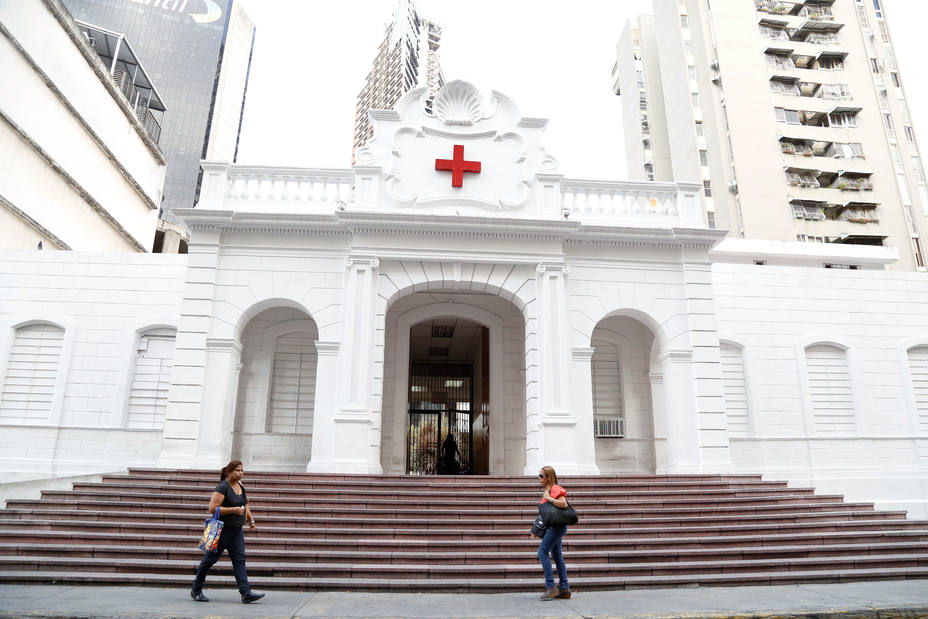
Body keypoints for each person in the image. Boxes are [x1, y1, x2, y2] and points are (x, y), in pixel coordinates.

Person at [190, 460, 265, 604]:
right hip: (222, 530)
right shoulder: (222, 487)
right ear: (229, 472)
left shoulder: (240, 485)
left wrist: (251, 519)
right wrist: (233, 510)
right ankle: (196, 588)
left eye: (242, 471)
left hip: (236, 530)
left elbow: (245, 503)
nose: (241, 473)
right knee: (210, 559)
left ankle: (245, 592)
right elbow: (212, 508)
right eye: (237, 470)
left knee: (239, 560)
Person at [533, 465, 571, 600]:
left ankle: (551, 587)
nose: (539, 478)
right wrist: (536, 530)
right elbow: (546, 514)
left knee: (542, 552)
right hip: (554, 526)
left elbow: (564, 504)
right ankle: (564, 588)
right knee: (557, 556)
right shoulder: (548, 490)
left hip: (558, 527)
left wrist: (549, 498)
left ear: (548, 477)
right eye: (539, 475)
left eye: (541, 476)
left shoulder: (555, 488)